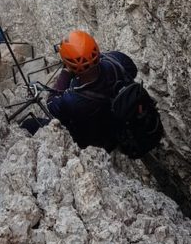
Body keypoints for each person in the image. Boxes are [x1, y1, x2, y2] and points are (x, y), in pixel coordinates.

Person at [28, 30, 162, 156]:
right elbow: (132, 70)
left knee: (30, 124)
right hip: (122, 123)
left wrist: (66, 72)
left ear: (69, 64)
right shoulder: (116, 60)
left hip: (98, 140)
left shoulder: (73, 100)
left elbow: (52, 103)